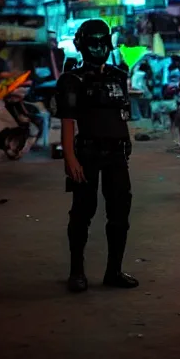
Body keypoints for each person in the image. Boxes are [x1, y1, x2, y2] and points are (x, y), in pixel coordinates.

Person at [55, 19, 139, 293]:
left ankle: (113, 271)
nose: (99, 47)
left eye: (103, 41)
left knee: (119, 214)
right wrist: (70, 158)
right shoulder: (71, 80)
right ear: (80, 44)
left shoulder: (118, 75)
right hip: (87, 153)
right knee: (82, 212)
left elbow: (123, 115)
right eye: (93, 42)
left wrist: (127, 143)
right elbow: (68, 122)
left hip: (117, 154)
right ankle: (76, 272)